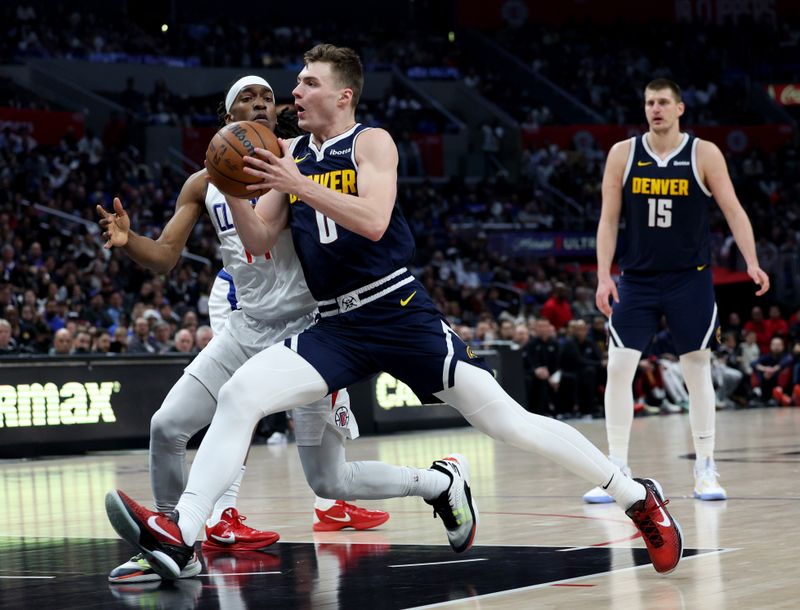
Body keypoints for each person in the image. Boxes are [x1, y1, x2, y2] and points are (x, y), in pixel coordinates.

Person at [105, 45, 683, 580]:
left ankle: (636, 497)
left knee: (508, 424)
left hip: (398, 309)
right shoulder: (294, 156)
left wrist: (296, 181)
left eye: (308, 83)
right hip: (335, 324)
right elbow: (256, 241)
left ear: (343, 96)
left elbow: (375, 220)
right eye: (298, 83)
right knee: (239, 396)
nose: (295, 93)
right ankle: (182, 533)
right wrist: (233, 182)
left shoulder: (371, 143)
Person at [98, 74, 389, 584]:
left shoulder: (303, 163)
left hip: (307, 333)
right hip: (245, 329)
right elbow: (166, 257)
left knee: (328, 479)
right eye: (246, 99)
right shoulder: (201, 183)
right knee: (166, 426)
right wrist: (128, 241)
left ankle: (434, 483)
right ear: (226, 115)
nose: (259, 103)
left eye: (266, 98)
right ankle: (173, 540)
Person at [584, 78, 769, 505]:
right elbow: (608, 220)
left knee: (697, 369)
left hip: (690, 278)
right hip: (638, 278)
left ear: (681, 108)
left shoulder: (703, 152)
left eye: (664, 102)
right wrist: (602, 275)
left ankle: (705, 466)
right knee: (617, 368)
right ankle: (616, 471)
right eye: (649, 102)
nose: (656, 109)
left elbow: (733, 209)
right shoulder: (623, 154)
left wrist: (752, 261)